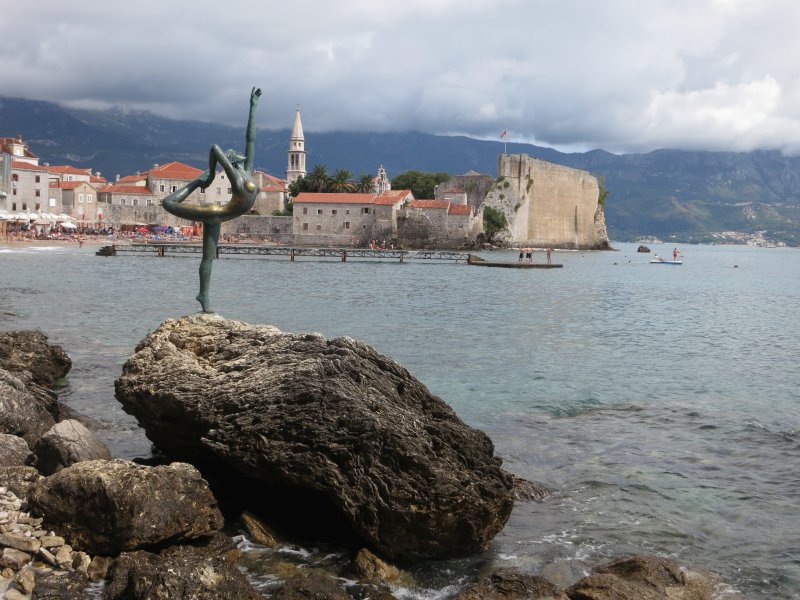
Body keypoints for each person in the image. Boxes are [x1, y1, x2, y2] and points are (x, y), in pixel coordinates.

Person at [162, 87, 262, 313]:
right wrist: (207, 175)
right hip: (214, 212)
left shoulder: (247, 170)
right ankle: (196, 183)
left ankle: (203, 296)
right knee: (168, 203)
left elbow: (251, 139)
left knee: (209, 258)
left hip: (220, 215)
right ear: (233, 159)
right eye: (236, 154)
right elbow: (215, 148)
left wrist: (253, 106)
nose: (241, 153)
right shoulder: (236, 177)